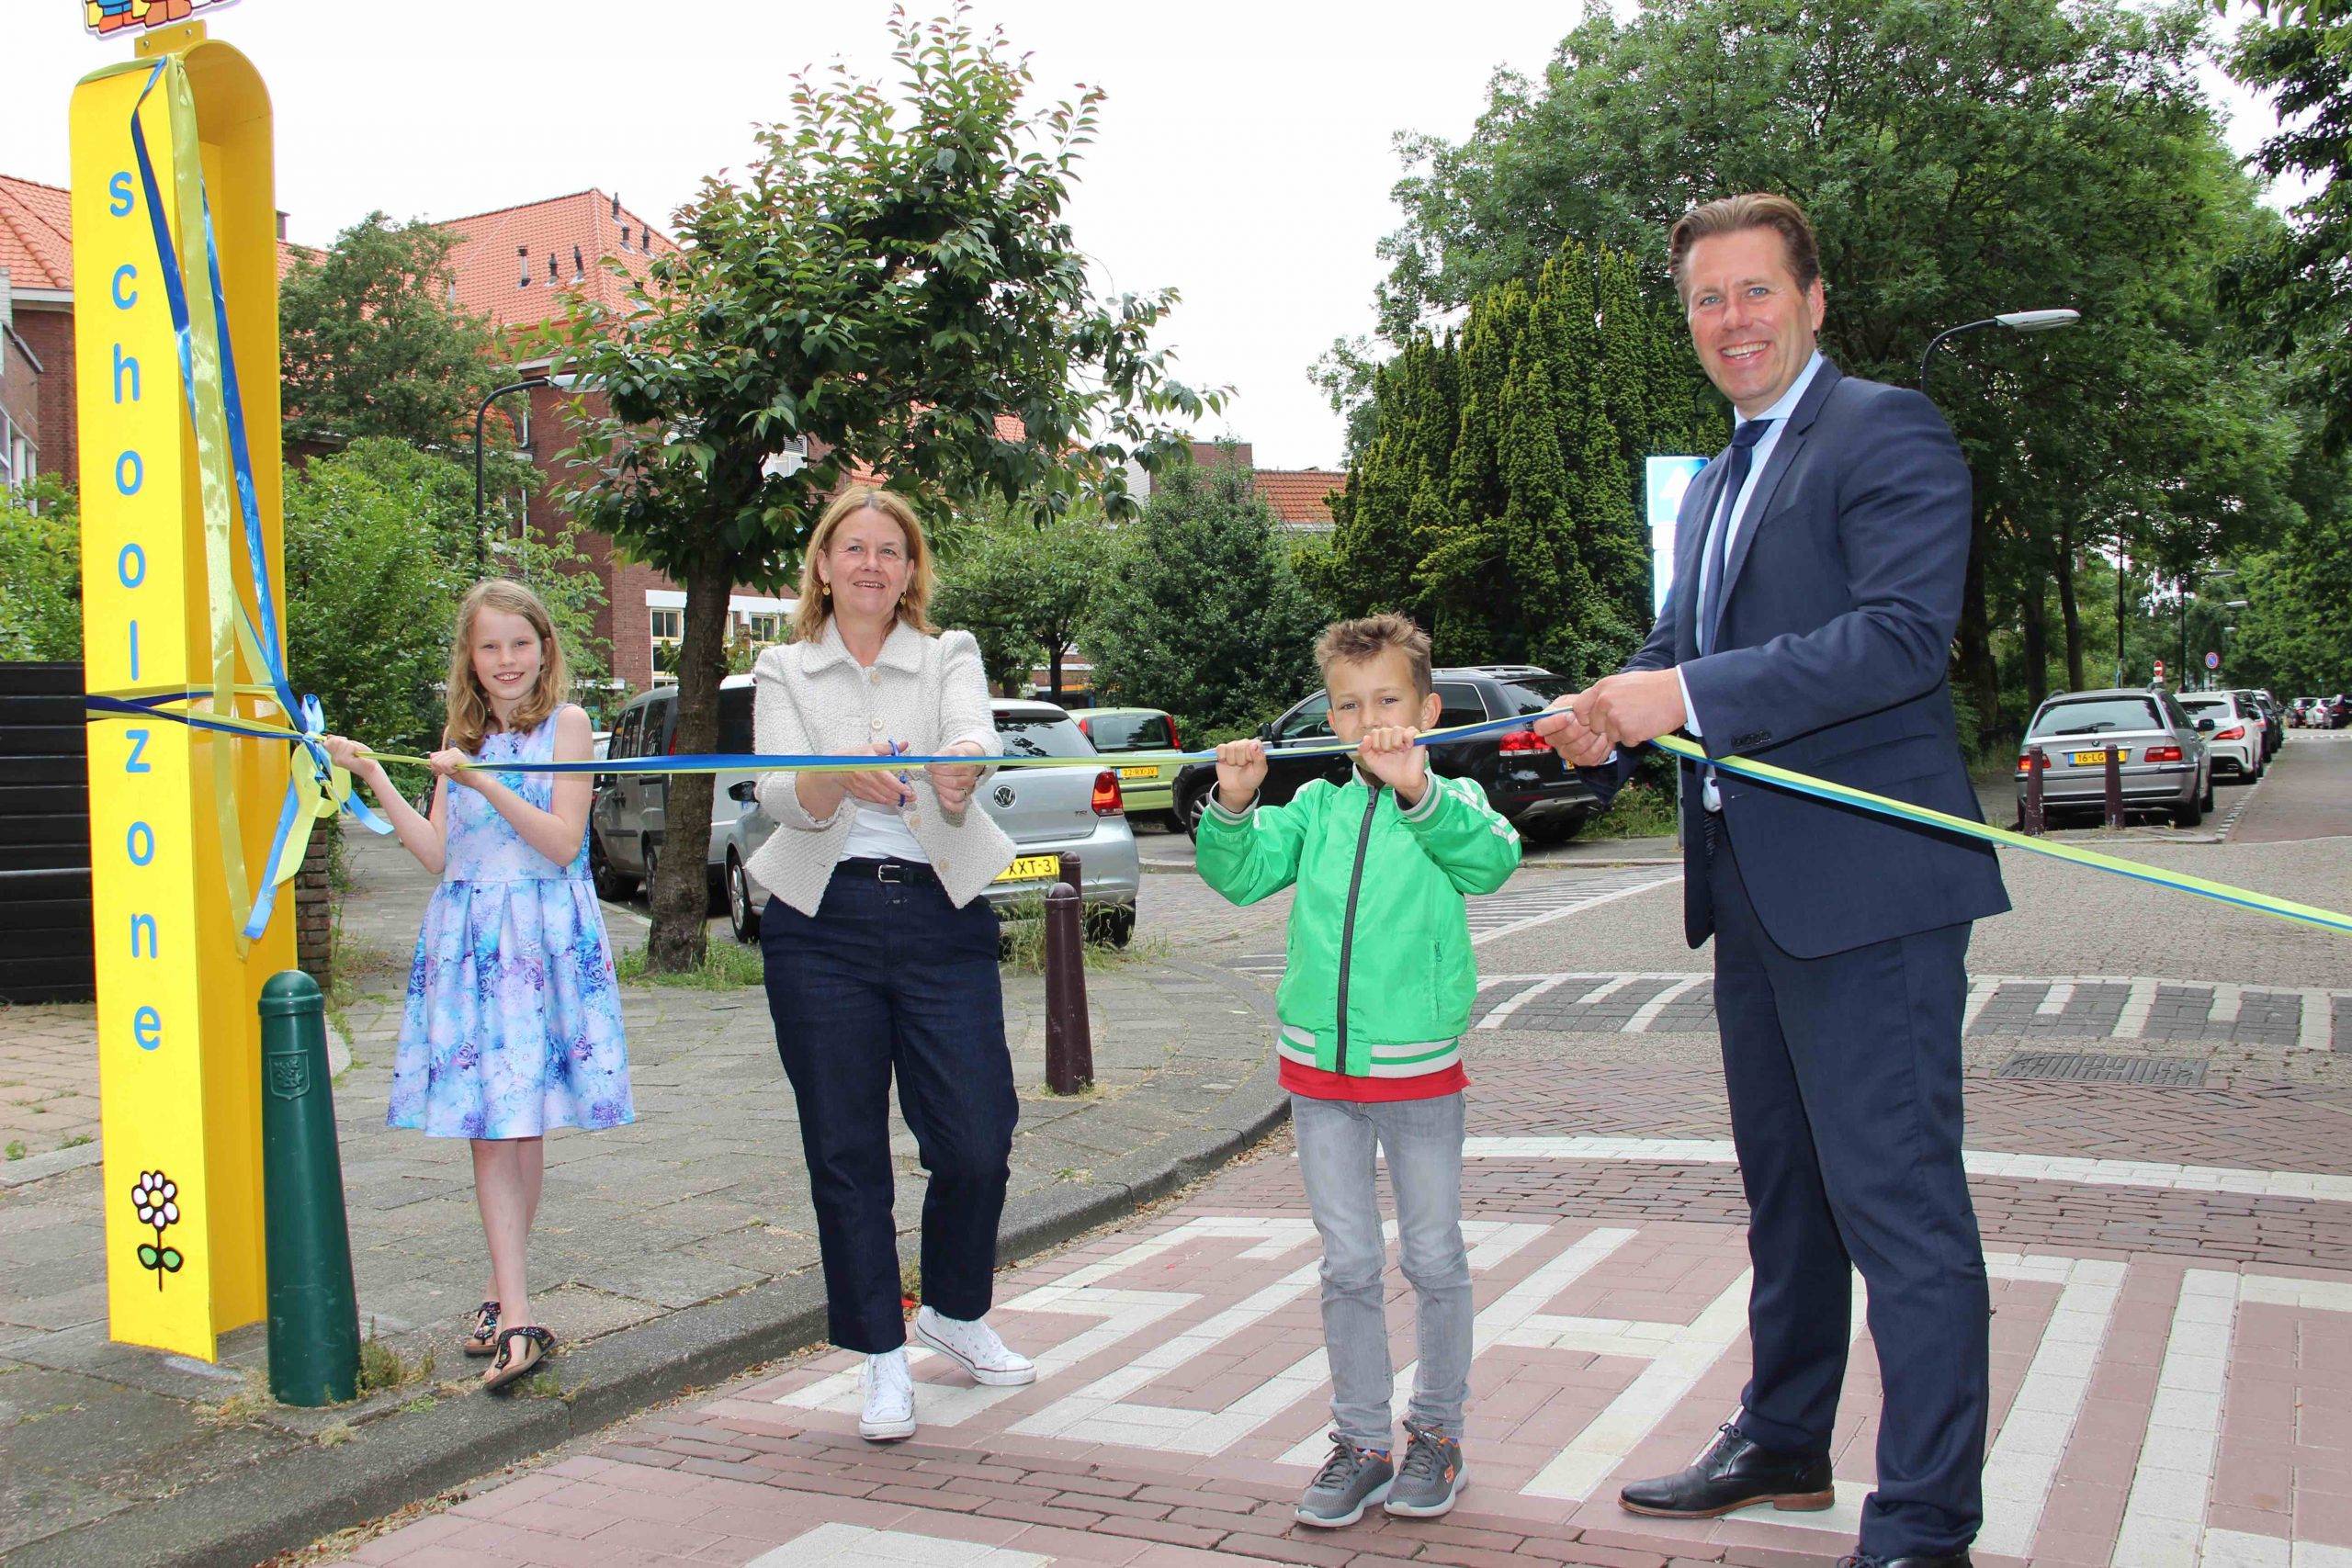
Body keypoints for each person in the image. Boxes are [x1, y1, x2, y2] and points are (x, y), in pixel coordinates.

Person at [1537, 194, 2009, 1568]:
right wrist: (1606, 711)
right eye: (1705, 300)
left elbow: (1902, 639)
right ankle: (1785, 1437)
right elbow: (1684, 639)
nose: (1730, 320)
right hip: (1752, 886)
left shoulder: (1888, 429)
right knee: (1789, 1193)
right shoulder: (1727, 471)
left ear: (1812, 299)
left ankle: (1924, 1517)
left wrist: (1676, 687)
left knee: (1900, 1203)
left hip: (1872, 895)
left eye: (1754, 292)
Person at [1196, 613, 1521, 1529]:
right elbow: (1243, 875)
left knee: (1432, 1255)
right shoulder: (1316, 808)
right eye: (1349, 704)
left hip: (1419, 1075)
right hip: (1319, 1081)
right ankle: (1361, 1441)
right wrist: (1231, 805)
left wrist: (1419, 789)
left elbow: (1492, 860)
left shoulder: (1446, 799)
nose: (1368, 717)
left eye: (1387, 699)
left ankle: (1438, 1434)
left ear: (1426, 709)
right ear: (1330, 719)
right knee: (1345, 1263)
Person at [747, 486, 1033, 1444]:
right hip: (817, 924)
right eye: (853, 549)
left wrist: (958, 765)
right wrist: (837, 773)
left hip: (939, 915)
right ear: (822, 566)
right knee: (846, 1149)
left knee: (975, 1138)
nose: (871, 565)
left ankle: (953, 1311)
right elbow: (783, 790)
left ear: (911, 571)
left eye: (890, 551)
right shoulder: (782, 664)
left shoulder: (946, 652)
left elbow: (970, 731)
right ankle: (879, 1357)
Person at [325, 579, 634, 1394]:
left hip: (537, 942)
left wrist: (482, 782)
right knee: (498, 1127)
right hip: (469, 942)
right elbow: (436, 852)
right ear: (470, 655)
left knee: (512, 1125)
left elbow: (563, 842)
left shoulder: (567, 726)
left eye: (520, 644)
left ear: (544, 649)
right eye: (490, 645)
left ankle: (516, 1308)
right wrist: (370, 776)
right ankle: (508, 1298)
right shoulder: (459, 733)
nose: (506, 661)